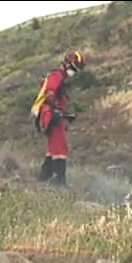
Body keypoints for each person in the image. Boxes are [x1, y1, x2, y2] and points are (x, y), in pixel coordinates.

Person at [31, 51, 86, 187]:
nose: (74, 72)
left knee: (53, 148)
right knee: (60, 148)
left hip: (54, 115)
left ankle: (44, 177)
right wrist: (56, 112)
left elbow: (58, 99)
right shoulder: (56, 76)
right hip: (52, 116)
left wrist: (65, 114)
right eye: (73, 69)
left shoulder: (61, 78)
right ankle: (58, 182)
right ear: (67, 64)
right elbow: (50, 95)